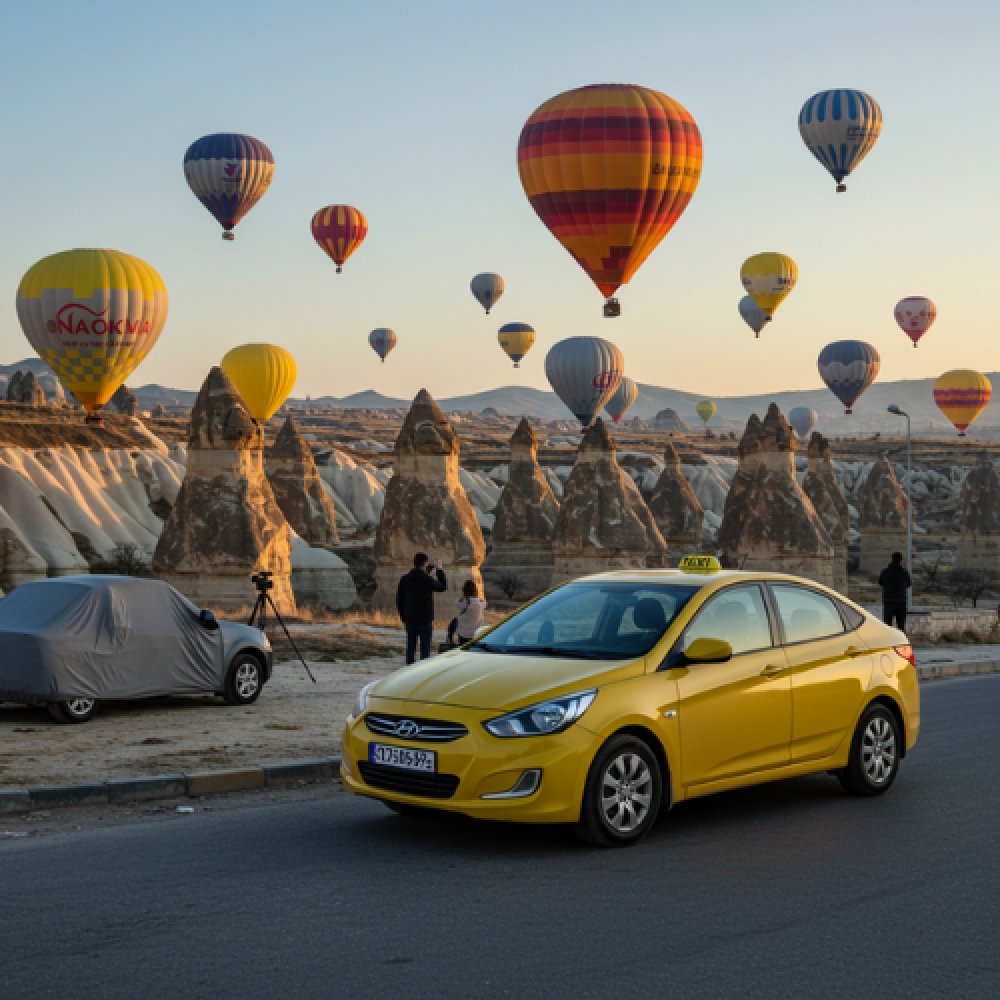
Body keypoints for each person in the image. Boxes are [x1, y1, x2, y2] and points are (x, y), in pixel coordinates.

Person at [396, 553, 447, 664]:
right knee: (425, 650)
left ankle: (409, 669)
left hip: (410, 618)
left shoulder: (405, 579)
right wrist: (439, 569)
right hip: (425, 619)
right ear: (424, 563)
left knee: (410, 647)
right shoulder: (427, 580)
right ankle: (422, 672)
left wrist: (403, 617)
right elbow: (443, 586)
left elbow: (399, 600)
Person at [444, 580, 487, 649]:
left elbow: (457, 603)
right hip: (476, 633)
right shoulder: (481, 603)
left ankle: (449, 639)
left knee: (455, 620)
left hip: (463, 633)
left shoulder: (463, 602)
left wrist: (463, 597)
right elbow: (484, 601)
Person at [878, 551, 911, 630]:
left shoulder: (885, 572)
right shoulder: (904, 572)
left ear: (892, 559)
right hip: (901, 602)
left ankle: (888, 642)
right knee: (901, 627)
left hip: (888, 602)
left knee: (887, 627)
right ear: (901, 560)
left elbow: (880, 582)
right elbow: (909, 584)